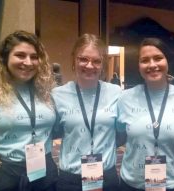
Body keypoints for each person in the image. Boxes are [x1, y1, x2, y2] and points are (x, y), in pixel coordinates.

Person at [0, 30, 58, 191]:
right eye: (20, 55)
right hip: (0, 173)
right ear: (5, 58)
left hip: (42, 172)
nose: (28, 62)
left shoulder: (46, 90)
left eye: (34, 57)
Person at [117, 37, 174, 191]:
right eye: (145, 60)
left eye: (158, 58)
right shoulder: (125, 98)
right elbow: (119, 135)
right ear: (139, 66)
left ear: (168, 61)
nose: (152, 65)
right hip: (132, 184)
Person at [52, 33, 121, 191]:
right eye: (83, 59)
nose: (90, 66)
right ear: (74, 60)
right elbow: (46, 131)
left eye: (96, 61)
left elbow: (123, 132)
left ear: (103, 64)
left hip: (107, 177)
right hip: (70, 179)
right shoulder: (58, 95)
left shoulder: (116, 93)